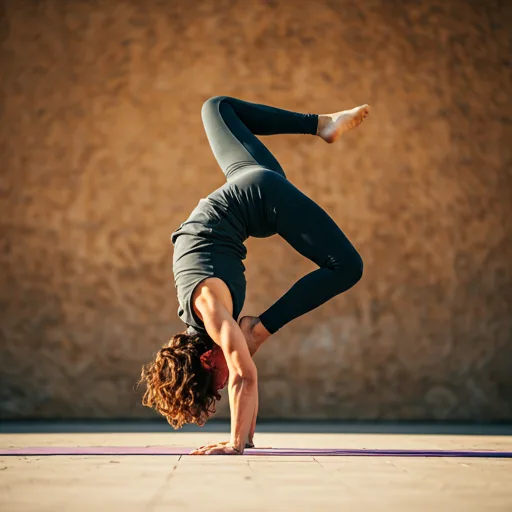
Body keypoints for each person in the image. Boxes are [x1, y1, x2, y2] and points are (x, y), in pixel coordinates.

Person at [139, 96, 370, 455]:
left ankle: (259, 328)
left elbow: (244, 376)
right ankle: (321, 126)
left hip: (261, 195)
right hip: (247, 186)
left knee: (347, 267)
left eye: (213, 383)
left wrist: (234, 445)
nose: (222, 382)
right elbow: (241, 376)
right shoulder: (199, 312)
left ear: (204, 359)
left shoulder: (211, 313)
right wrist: (245, 438)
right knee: (214, 108)